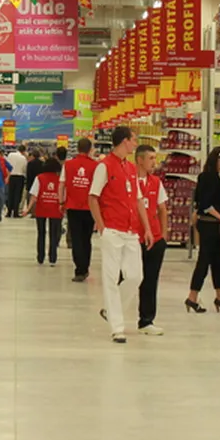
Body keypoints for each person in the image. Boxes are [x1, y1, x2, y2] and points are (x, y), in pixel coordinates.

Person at [89, 126, 154, 344]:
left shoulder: (131, 169)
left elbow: (138, 200)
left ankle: (110, 309)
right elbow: (93, 197)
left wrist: (146, 228)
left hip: (131, 230)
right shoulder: (104, 167)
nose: (135, 144)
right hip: (112, 230)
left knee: (136, 275)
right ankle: (117, 328)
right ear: (124, 141)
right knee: (110, 276)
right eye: (133, 140)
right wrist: (101, 226)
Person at [189, 147, 220, 313]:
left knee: (217, 262)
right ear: (218, 160)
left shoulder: (211, 177)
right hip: (209, 224)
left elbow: (203, 199)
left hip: (212, 224)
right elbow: (206, 205)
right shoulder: (209, 177)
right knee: (204, 261)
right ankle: (192, 297)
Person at [134, 145, 169, 335]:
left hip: (154, 239)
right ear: (139, 160)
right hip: (133, 237)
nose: (154, 162)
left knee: (150, 280)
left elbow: (163, 209)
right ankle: (114, 310)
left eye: (155, 158)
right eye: (151, 158)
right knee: (129, 277)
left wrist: (163, 235)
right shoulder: (129, 181)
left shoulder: (156, 182)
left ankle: (146, 320)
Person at [64, 138, 98, 282]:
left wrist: (61, 202)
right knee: (86, 238)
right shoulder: (96, 166)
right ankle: (85, 267)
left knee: (76, 238)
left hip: (72, 206)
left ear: (77, 148)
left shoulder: (68, 165)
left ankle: (79, 269)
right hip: (89, 207)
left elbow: (63, 184)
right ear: (90, 149)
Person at [23, 156, 64, 265]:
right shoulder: (60, 179)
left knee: (41, 233)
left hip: (41, 208)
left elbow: (34, 195)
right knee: (53, 233)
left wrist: (28, 208)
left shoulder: (39, 178)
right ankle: (53, 257)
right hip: (55, 209)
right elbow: (62, 195)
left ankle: (40, 256)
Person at [6, 144, 28, 217]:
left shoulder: (10, 155)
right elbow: (24, 169)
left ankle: (8, 212)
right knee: (17, 195)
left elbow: (7, 165)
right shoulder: (23, 158)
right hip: (19, 177)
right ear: (24, 151)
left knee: (10, 194)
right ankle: (15, 212)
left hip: (11, 176)